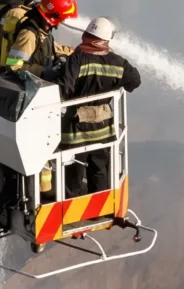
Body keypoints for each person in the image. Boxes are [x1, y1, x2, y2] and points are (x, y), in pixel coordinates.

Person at [55, 17, 143, 199]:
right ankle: (101, 203)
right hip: (103, 127)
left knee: (73, 170)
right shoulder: (118, 62)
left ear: (87, 36)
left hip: (76, 127)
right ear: (106, 40)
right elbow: (134, 80)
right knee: (100, 168)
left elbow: (64, 88)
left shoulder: (77, 59)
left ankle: (70, 205)